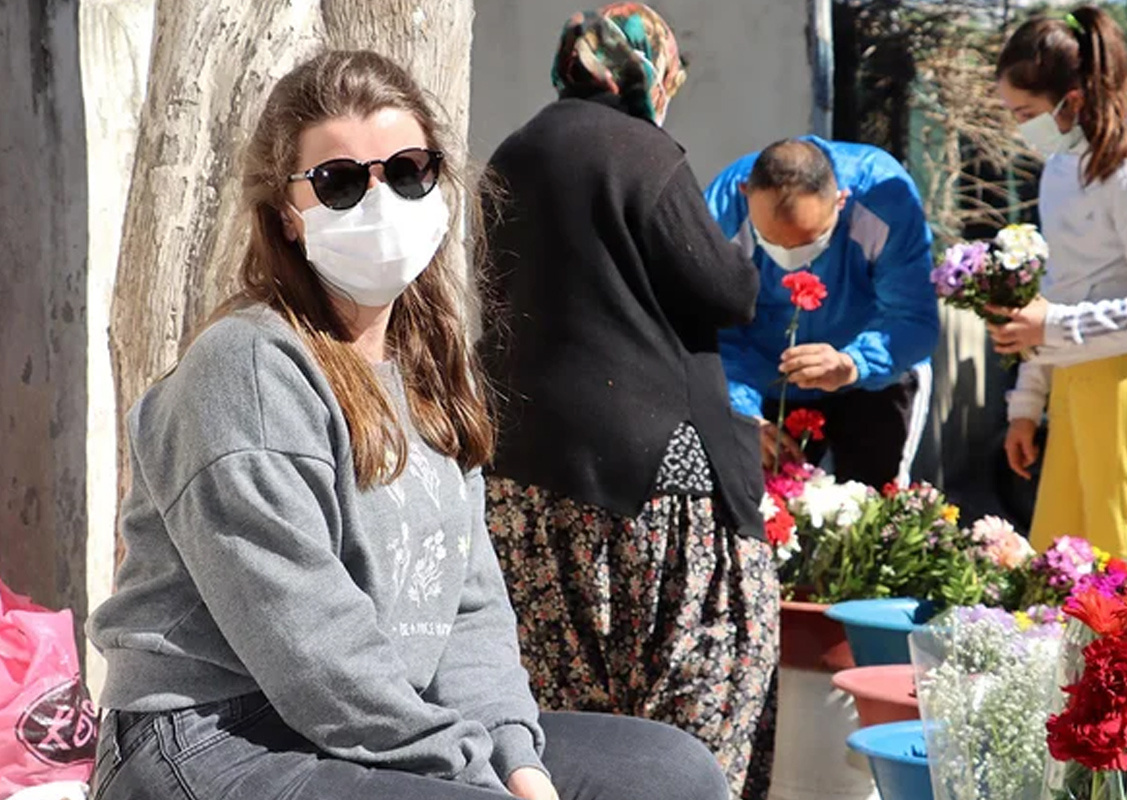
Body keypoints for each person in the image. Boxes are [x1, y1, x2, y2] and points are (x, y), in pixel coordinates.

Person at [84, 50, 729, 800]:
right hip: (212, 736)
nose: (380, 198)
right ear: (290, 215)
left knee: (670, 774)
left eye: (407, 170)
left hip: (381, 722)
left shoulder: (424, 368)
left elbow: (468, 602)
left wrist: (517, 764)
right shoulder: (250, 369)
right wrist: (469, 773)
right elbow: (312, 647)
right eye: (340, 181)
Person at [479, 5, 778, 799]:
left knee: (570, 721)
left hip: (526, 482)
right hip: (656, 481)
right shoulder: (643, 154)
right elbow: (727, 290)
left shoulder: (513, 154)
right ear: (654, 69)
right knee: (698, 703)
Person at [991, 6, 1127, 566]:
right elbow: (1061, 288)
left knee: (1123, 566)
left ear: (1074, 100)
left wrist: (1053, 327)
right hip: (1080, 375)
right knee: (1058, 564)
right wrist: (1027, 403)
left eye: (1026, 111)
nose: (1019, 126)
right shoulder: (1062, 168)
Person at [703, 137, 939, 488]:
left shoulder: (883, 197)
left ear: (842, 201)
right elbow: (708, 323)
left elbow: (913, 319)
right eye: (770, 241)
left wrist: (854, 364)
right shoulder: (723, 208)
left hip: (870, 378)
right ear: (744, 193)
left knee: (870, 519)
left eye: (809, 242)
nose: (789, 257)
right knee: (758, 516)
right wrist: (741, 411)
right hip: (761, 379)